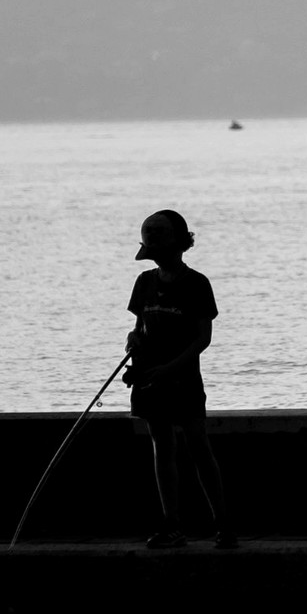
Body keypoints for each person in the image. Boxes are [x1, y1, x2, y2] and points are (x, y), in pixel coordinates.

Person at [125, 209, 237, 549]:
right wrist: (134, 341)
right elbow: (139, 326)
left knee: (199, 447)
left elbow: (202, 339)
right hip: (149, 378)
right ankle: (172, 524)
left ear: (181, 243)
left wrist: (170, 368)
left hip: (183, 380)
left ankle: (223, 525)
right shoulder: (144, 282)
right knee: (162, 447)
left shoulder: (197, 284)